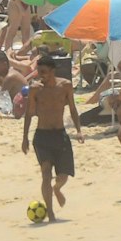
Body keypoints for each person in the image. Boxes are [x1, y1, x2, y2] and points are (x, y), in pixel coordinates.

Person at [22, 52, 82, 222]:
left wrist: (79, 130)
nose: (41, 75)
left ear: (52, 71)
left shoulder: (65, 86)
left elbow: (72, 109)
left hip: (60, 134)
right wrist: (25, 137)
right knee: (46, 173)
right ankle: (50, 212)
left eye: (44, 72)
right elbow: (29, 113)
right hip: (42, 136)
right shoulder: (35, 89)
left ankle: (57, 189)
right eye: (39, 72)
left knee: (64, 175)